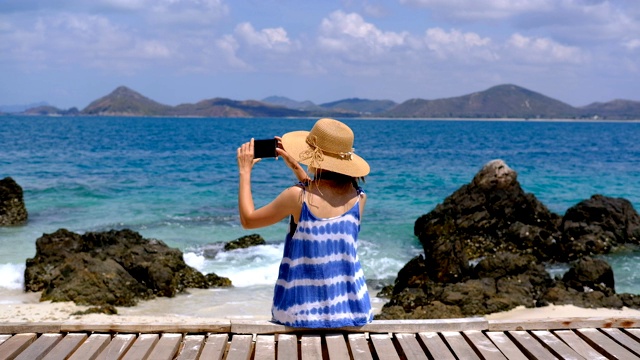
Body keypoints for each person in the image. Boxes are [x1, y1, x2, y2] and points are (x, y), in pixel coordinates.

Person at [236, 118, 373, 328]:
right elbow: (323, 197)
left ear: (313, 156)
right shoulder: (358, 198)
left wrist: (245, 172)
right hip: (352, 312)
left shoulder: (296, 196)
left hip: (302, 315)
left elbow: (248, 220)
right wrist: (295, 167)